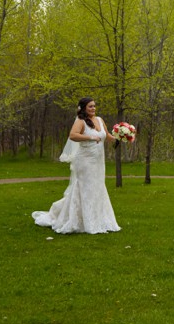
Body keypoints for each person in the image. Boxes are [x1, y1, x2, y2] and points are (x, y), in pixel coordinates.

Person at [32, 97, 120, 234]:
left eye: (94, 106)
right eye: (90, 106)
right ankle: (84, 222)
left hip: (98, 161)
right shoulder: (81, 121)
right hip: (84, 161)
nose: (93, 108)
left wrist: (119, 138)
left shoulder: (100, 120)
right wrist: (90, 137)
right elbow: (73, 135)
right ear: (83, 108)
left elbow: (106, 135)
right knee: (86, 189)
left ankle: (99, 219)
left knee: (97, 187)